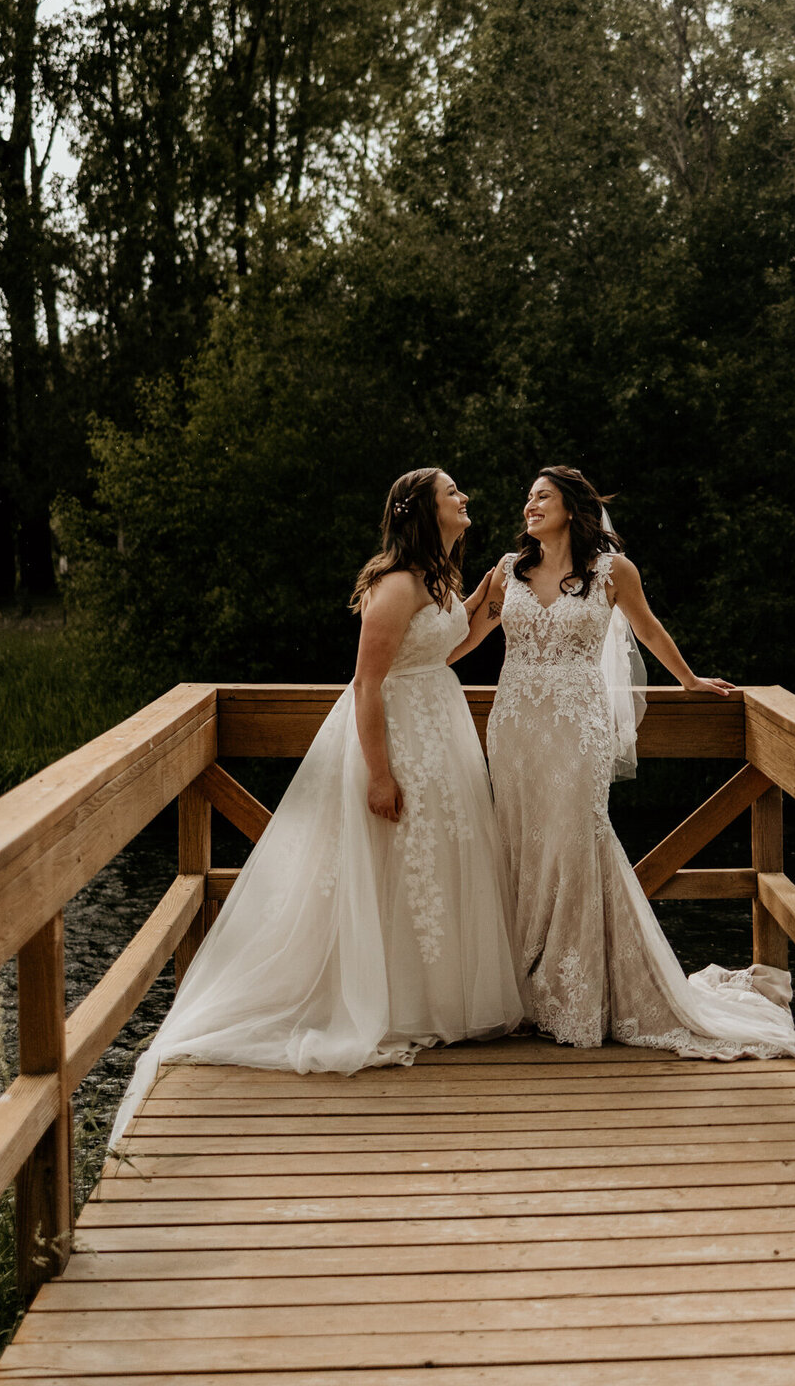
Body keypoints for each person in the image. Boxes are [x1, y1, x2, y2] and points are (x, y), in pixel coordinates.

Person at [111, 467, 523, 1140]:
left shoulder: (441, 578)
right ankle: (386, 1006)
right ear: (425, 509)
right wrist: (380, 775)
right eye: (453, 492)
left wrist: (485, 602)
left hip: (440, 726)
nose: (465, 499)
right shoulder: (396, 582)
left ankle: (436, 1003)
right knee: (393, 862)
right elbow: (367, 683)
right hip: (395, 734)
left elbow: (451, 650)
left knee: (437, 861)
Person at [452, 465, 795, 1098]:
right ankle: (521, 990)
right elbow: (466, 634)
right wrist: (408, 669)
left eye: (540, 497)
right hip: (515, 727)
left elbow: (648, 628)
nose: (528, 505)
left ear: (571, 509)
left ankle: (574, 1001)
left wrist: (687, 679)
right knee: (519, 845)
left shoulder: (611, 572)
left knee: (574, 844)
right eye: (526, 498)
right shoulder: (505, 572)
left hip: (577, 729)